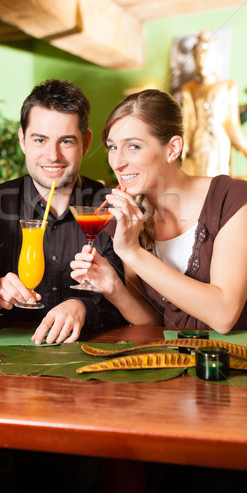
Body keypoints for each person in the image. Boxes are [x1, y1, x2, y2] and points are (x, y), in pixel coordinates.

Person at [70, 88, 247, 332]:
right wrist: (114, 288)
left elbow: (223, 315)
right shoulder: (129, 218)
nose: (118, 162)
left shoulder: (231, 199)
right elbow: (152, 321)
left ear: (172, 149)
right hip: (169, 362)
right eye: (112, 147)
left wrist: (132, 252)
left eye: (133, 146)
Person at [0, 79, 125, 345]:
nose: (52, 156)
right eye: (40, 140)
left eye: (66, 141)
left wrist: (83, 306)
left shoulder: (110, 207)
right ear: (22, 140)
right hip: (8, 361)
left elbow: (129, 302)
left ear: (86, 143)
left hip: (94, 356)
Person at [181, 29, 247, 176]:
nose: (201, 62)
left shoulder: (228, 87)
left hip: (219, 149)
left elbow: (232, 126)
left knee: (218, 190)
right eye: (198, 58)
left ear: (217, 58)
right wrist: (178, 154)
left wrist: (244, 149)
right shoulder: (189, 89)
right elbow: (187, 125)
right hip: (196, 149)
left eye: (205, 57)